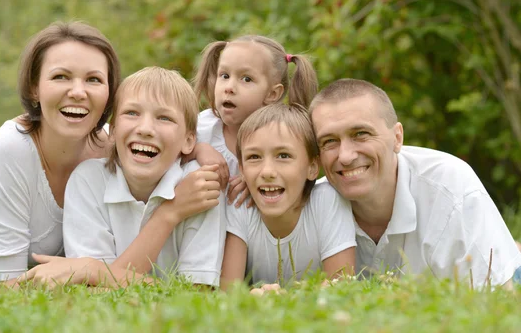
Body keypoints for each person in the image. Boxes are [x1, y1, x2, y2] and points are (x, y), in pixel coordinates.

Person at [0, 23, 220, 284]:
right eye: (61, 76)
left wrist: (202, 151)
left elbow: (174, 138)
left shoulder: (119, 145)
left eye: (93, 79)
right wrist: (168, 213)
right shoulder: (10, 150)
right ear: (35, 87)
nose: (78, 92)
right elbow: (3, 285)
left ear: (108, 94)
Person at [17, 67, 225, 288]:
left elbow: (196, 293)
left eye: (164, 118)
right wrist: (169, 213)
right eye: (132, 113)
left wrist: (94, 270)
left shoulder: (200, 184)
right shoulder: (88, 181)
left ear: (189, 141)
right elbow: (93, 291)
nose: (145, 129)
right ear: (113, 131)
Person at [309, 78, 521, 288]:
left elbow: (499, 298)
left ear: (397, 137)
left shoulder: (450, 188)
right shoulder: (311, 207)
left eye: (361, 134)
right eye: (329, 141)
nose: (345, 156)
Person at [220, 103, 356, 290]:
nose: (267, 171)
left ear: (312, 167)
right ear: (242, 169)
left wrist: (293, 296)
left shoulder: (327, 200)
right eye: (254, 157)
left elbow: (343, 284)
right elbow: (228, 292)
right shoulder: (240, 204)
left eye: (283, 155)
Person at [193, 35, 318, 206]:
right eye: (224, 75)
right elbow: (167, 150)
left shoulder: (284, 136)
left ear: (272, 94)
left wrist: (256, 177)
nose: (229, 87)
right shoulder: (202, 126)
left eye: (246, 79)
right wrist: (199, 150)